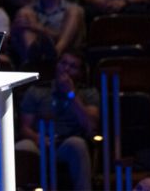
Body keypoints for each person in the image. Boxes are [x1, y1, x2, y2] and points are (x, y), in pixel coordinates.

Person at [15, 50, 98, 190]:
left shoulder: (88, 93)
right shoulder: (37, 90)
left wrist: (71, 95)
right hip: (40, 142)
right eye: (63, 63)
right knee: (22, 146)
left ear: (81, 73)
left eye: (73, 66)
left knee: (77, 144)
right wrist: (38, 138)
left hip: (67, 143)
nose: (66, 68)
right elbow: (24, 128)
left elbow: (90, 126)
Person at [10, 0, 85, 67]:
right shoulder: (30, 11)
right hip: (35, 57)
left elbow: (68, 37)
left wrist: (37, 28)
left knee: (75, 11)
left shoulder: (71, 10)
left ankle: (55, 54)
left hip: (65, 56)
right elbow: (15, 40)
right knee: (24, 13)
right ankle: (33, 60)